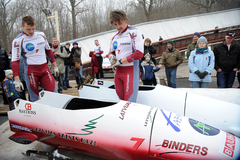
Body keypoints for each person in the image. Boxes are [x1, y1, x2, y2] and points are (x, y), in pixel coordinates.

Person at [11, 15, 59, 102]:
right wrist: (17, 80)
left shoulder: (41, 35)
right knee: (34, 98)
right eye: (28, 29)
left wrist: (55, 66)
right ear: (22, 26)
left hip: (45, 69)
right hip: (31, 72)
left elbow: (48, 51)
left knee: (54, 94)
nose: (31, 31)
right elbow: (15, 61)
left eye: (33, 28)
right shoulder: (18, 40)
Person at [107, 10, 143, 102]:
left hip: (130, 71)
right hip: (118, 72)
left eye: (120, 23)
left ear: (126, 20)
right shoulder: (114, 36)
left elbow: (139, 54)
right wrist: (111, 57)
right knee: (120, 102)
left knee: (129, 103)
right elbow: (111, 52)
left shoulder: (134, 32)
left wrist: (121, 61)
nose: (118, 27)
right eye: (115, 24)